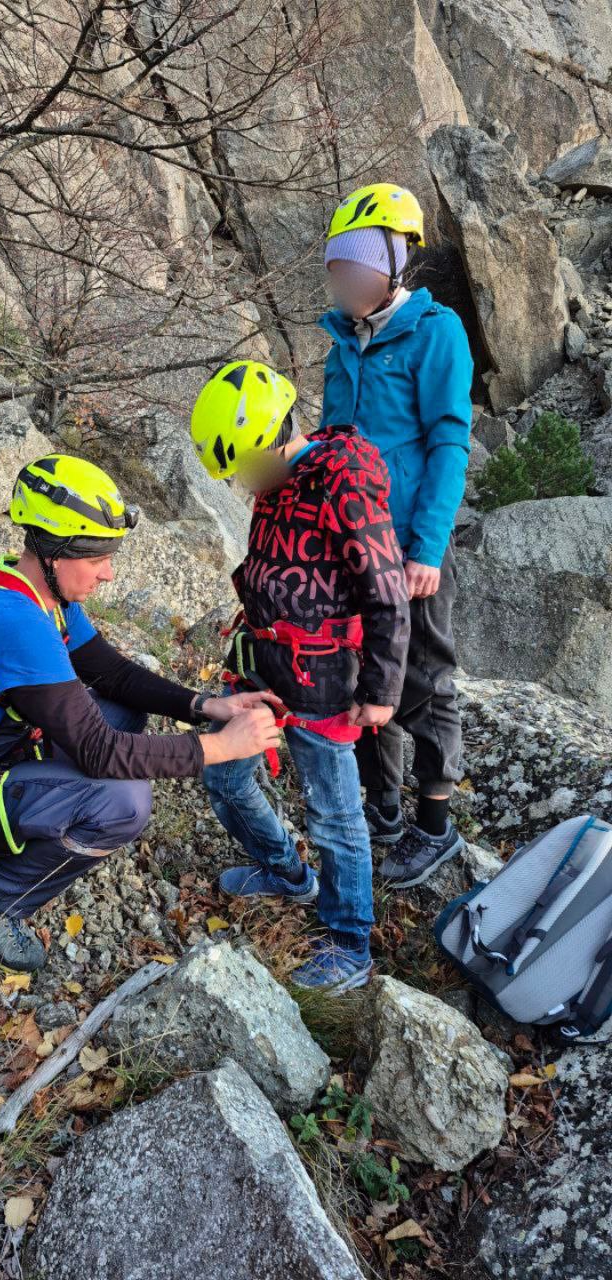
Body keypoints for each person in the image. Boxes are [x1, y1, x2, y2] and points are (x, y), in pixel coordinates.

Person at [0, 453, 281, 971]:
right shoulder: (13, 618)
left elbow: (112, 673)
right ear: (56, 554)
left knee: (120, 711)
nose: (108, 574)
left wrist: (203, 704)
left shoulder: (36, 592)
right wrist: (222, 746)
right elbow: (98, 750)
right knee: (124, 803)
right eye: (97, 560)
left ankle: (33, 826)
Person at [191, 360, 410, 990]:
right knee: (225, 773)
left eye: (245, 469)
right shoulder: (275, 482)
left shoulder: (343, 482)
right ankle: (286, 872)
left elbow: (387, 592)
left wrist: (381, 690)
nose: (244, 485)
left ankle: (349, 939)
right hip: (265, 665)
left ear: (274, 441)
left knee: (334, 813)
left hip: (326, 683)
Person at [319, 182, 473, 888]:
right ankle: (379, 811)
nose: (343, 276)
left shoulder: (435, 332)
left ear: (394, 260)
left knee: (426, 684)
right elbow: (331, 444)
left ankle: (433, 825)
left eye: (355, 262)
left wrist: (428, 549)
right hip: (352, 548)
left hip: (407, 547)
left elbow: (448, 443)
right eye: (335, 263)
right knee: (363, 675)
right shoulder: (340, 343)